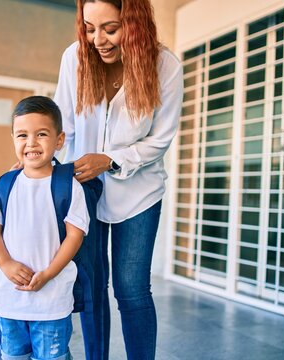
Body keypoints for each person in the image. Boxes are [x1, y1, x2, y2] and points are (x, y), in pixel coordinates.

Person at [53, 0, 184, 359]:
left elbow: (159, 139)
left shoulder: (165, 66)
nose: (98, 40)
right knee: (93, 286)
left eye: (110, 29)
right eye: (90, 28)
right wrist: (39, 159)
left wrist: (110, 160)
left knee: (131, 289)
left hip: (139, 193)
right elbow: (62, 122)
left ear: (135, 22)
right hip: (84, 191)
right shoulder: (75, 58)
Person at [0, 96, 90, 360]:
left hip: (52, 300)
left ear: (59, 140)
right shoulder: (5, 183)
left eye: (41, 134)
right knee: (12, 355)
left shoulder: (69, 187)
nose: (31, 143)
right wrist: (5, 264)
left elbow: (74, 236)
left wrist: (49, 273)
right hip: (11, 299)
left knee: (52, 356)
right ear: (14, 139)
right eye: (22, 135)